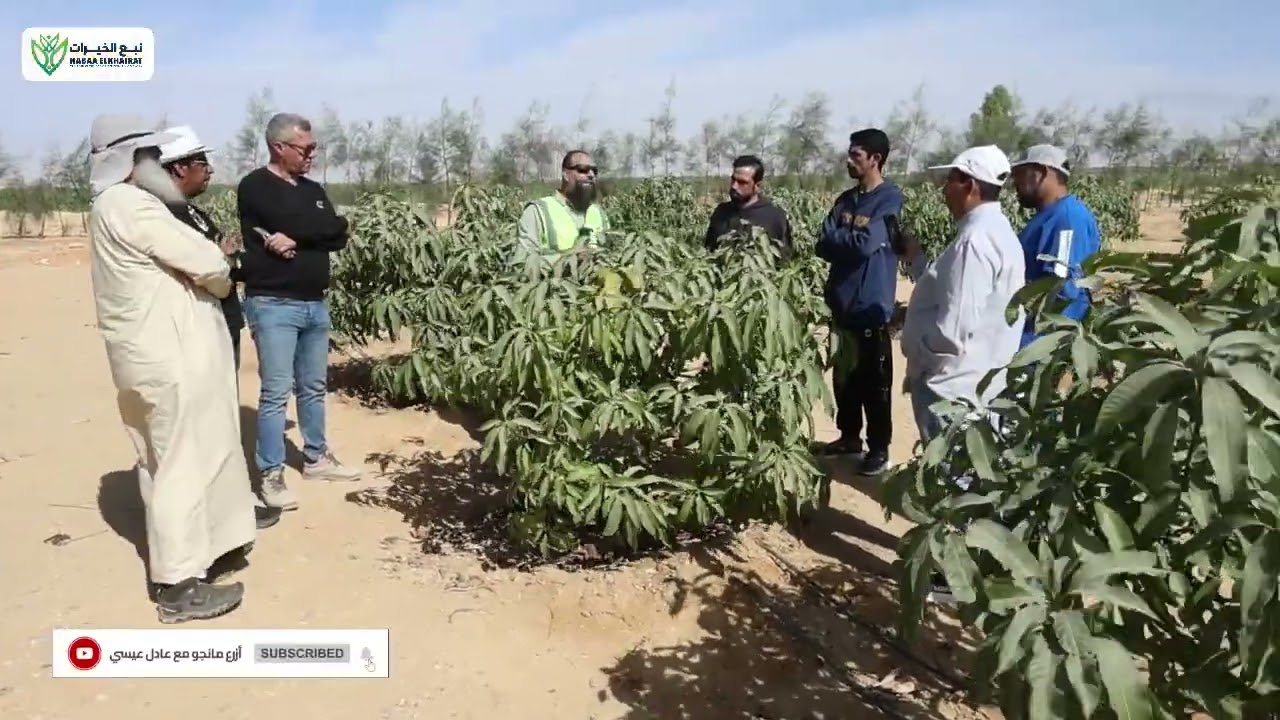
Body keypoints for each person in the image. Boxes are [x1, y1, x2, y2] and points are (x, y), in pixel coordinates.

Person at [86, 114, 255, 623]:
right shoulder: (129, 203)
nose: (161, 164)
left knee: (188, 451)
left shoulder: (115, 206)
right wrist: (219, 273)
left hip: (159, 353)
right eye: (153, 156)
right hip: (168, 355)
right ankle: (179, 587)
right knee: (179, 462)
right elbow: (208, 262)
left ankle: (211, 548)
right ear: (134, 160)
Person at [900, 145, 1026, 605]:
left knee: (953, 481)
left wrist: (923, 360)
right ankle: (975, 569)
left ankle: (951, 580)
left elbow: (953, 329)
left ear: (969, 186)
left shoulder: (975, 241)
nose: (943, 189)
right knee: (971, 478)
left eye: (950, 180)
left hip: (954, 383)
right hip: (980, 377)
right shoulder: (992, 233)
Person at [236, 112, 363, 512]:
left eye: (313, 148)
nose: (311, 155)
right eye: (305, 148)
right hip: (273, 303)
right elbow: (311, 224)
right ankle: (270, 474)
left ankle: (316, 457)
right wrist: (314, 230)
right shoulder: (256, 186)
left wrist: (299, 236)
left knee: (313, 387)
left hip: (314, 302)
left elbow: (339, 231)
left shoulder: (313, 189)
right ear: (279, 147)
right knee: (275, 392)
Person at [159, 125, 282, 531]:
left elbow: (219, 259)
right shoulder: (168, 213)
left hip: (222, 321)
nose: (209, 171)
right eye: (201, 163)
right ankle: (218, 509)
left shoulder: (190, 210)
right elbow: (201, 266)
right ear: (177, 168)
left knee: (222, 412)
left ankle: (229, 502)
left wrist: (230, 258)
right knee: (208, 418)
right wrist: (220, 257)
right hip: (200, 327)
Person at [813, 129, 904, 476]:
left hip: (871, 306)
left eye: (856, 156)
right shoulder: (845, 200)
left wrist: (843, 239)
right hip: (842, 303)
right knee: (844, 379)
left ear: (875, 160)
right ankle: (849, 436)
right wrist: (847, 240)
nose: (849, 161)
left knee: (874, 382)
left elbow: (866, 245)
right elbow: (822, 243)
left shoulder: (889, 199)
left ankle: (878, 448)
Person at [1010, 144, 1102, 346]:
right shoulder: (1050, 216)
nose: (1014, 182)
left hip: (1042, 345)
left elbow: (1061, 288)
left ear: (1042, 172)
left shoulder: (1066, 219)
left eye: (1019, 174)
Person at [516, 150, 609, 258]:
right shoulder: (538, 212)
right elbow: (522, 264)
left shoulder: (599, 214)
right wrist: (569, 260)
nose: (591, 175)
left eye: (595, 171)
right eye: (583, 170)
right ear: (565, 174)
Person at [703, 154, 793, 258]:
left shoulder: (775, 217)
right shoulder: (721, 212)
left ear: (757, 186)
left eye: (742, 182)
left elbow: (784, 260)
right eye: (733, 180)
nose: (734, 186)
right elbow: (708, 251)